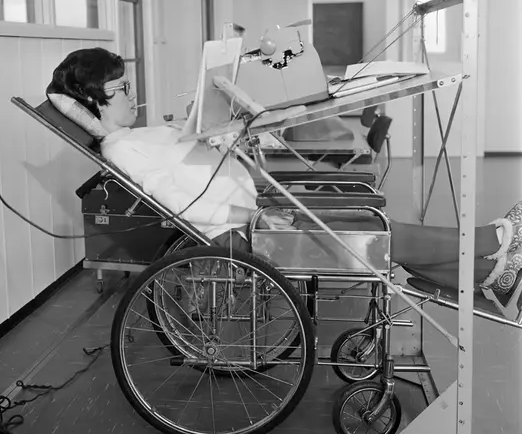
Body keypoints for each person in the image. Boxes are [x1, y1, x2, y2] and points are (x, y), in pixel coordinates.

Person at [46, 47, 522, 314]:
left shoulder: (142, 134)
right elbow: (180, 203)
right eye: (120, 88)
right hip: (242, 229)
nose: (131, 94)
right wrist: (253, 214)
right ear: (92, 102)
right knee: (376, 232)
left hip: (255, 211)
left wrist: (216, 132)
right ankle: (492, 240)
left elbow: (192, 162)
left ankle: (491, 275)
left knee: (371, 228)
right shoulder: (122, 148)